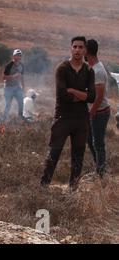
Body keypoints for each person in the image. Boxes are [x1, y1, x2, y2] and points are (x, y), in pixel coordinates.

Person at [41, 36, 95, 190]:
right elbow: (62, 95)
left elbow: (92, 97)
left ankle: (73, 191)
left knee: (78, 158)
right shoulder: (62, 68)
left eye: (80, 47)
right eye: (75, 47)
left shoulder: (89, 71)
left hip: (81, 119)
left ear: (85, 50)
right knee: (54, 154)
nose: (77, 50)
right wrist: (82, 95)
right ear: (71, 48)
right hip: (63, 118)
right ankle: (43, 188)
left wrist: (72, 91)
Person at [85, 39, 110, 178]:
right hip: (95, 111)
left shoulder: (98, 71)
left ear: (87, 52)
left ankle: (101, 173)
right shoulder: (92, 68)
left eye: (83, 49)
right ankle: (99, 168)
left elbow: (99, 97)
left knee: (98, 143)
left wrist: (91, 113)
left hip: (100, 112)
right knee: (91, 140)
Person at [3, 49, 25, 121]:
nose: (18, 57)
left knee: (21, 102)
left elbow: (21, 77)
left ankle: (20, 117)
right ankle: (4, 119)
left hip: (17, 87)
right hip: (8, 87)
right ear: (13, 56)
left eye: (20, 56)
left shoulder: (21, 65)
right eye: (17, 55)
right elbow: (4, 77)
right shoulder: (9, 65)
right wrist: (14, 76)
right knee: (8, 105)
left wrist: (23, 87)